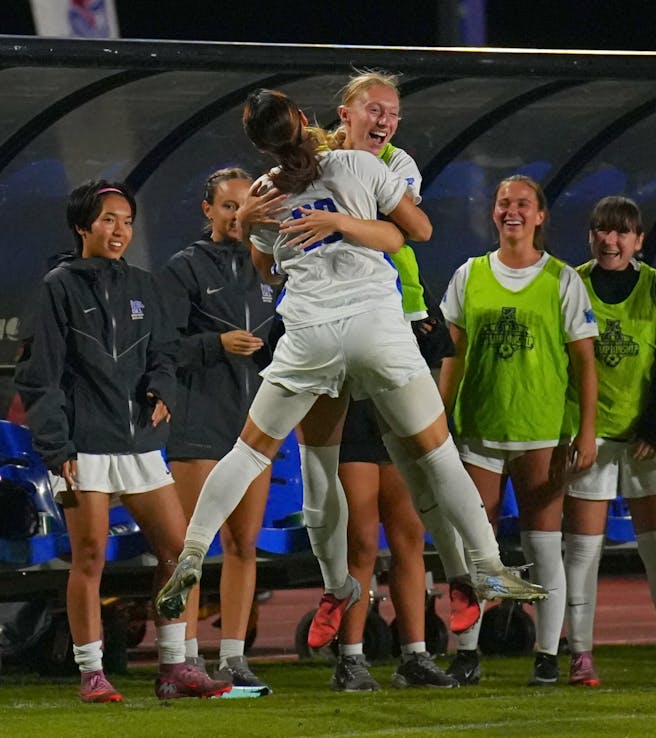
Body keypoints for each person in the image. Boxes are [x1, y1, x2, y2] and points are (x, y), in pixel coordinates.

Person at [155, 89, 545, 629]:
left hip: (309, 334)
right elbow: (416, 231)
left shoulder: (262, 194)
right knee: (436, 454)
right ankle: (487, 567)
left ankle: (196, 553)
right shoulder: (358, 164)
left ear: (261, 144)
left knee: (251, 453)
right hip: (376, 326)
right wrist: (342, 221)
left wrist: (261, 221)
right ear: (309, 118)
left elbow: (266, 272)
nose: (383, 119)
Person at [15, 180, 232, 702]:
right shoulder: (57, 287)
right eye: (108, 219)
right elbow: (39, 377)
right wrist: (56, 447)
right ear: (83, 226)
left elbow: (164, 352)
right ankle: (92, 673)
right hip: (82, 446)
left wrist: (162, 387)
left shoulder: (144, 285)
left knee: (180, 553)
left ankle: (175, 668)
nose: (119, 231)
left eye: (127, 220)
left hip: (138, 444)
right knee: (90, 559)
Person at [307, 71, 456, 691]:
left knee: (407, 526)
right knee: (358, 528)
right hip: (341, 344)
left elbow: (401, 227)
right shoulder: (310, 163)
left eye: (393, 111)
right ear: (345, 111)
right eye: (374, 108)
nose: (386, 120)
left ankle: (415, 652)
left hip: (398, 335)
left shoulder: (398, 164)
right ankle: (351, 657)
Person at [439, 174, 598, 686]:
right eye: (504, 202)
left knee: (543, 547)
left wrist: (587, 430)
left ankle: (547, 656)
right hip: (478, 429)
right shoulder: (468, 275)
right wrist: (440, 419)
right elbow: (454, 356)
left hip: (540, 430)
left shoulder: (563, 280)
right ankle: (467, 651)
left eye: (523, 203)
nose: (513, 210)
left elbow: (585, 365)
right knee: (474, 546)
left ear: (540, 215)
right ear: (494, 213)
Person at [562, 196, 656, 687]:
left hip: (646, 441)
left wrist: (655, 427)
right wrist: (575, 431)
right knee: (583, 553)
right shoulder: (569, 283)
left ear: (638, 240)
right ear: (590, 235)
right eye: (601, 230)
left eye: (621, 232)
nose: (610, 240)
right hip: (589, 440)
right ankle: (580, 657)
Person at [158, 167, 277, 692]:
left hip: (254, 424)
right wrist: (215, 345)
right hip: (199, 421)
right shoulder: (184, 267)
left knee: (244, 544)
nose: (236, 215)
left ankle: (233, 656)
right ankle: (183, 659)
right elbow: (161, 349)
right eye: (227, 206)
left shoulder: (273, 267)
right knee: (190, 548)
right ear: (208, 210)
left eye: (244, 205)